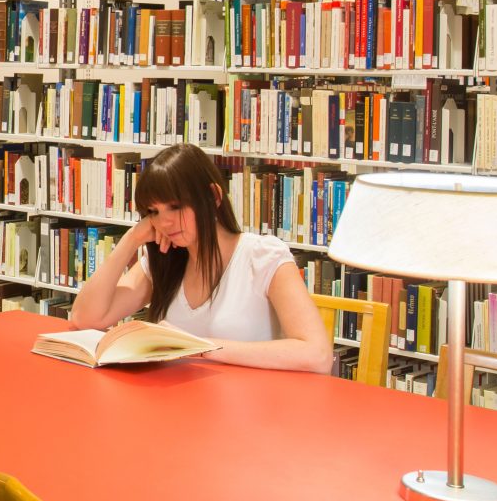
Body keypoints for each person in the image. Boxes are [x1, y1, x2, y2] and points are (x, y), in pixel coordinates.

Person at [66, 142, 334, 374]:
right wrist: (131, 240)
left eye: (176, 206)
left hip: (249, 414)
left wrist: (198, 346)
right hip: (180, 405)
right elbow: (86, 318)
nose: (165, 221)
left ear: (213, 196)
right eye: (153, 211)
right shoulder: (164, 261)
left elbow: (317, 354)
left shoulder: (263, 257)